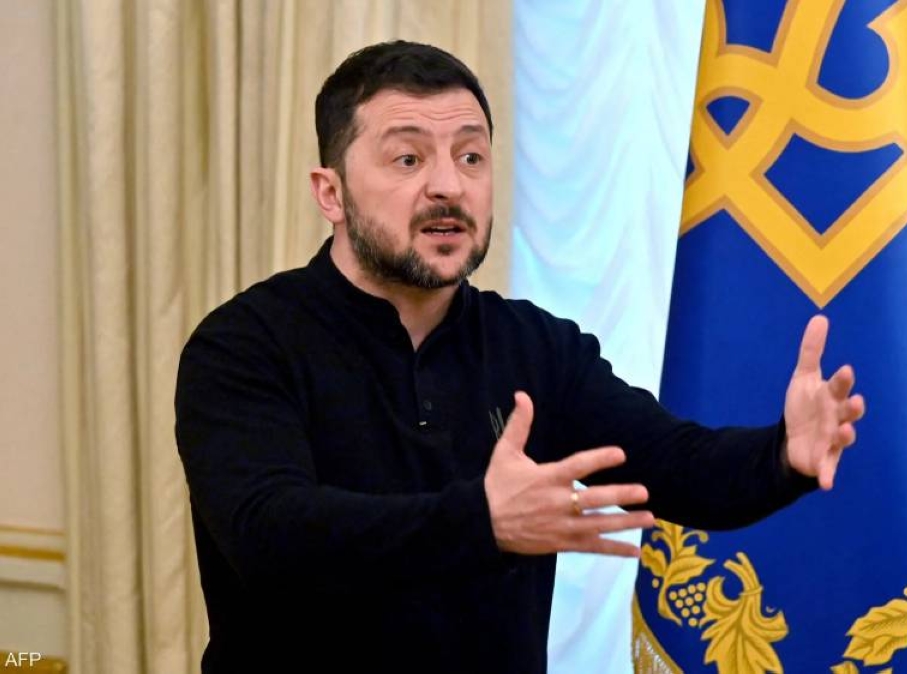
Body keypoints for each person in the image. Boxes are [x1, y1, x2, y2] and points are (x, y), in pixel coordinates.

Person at [175, 39, 865, 673]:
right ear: (330, 193)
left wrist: (783, 454)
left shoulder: (533, 346)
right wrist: (481, 522)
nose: (449, 186)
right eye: (408, 159)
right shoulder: (244, 345)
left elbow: (679, 466)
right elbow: (272, 536)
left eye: (470, 157)